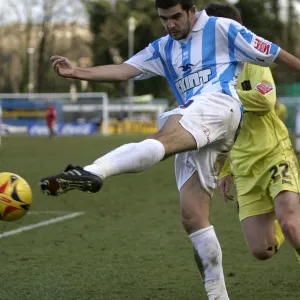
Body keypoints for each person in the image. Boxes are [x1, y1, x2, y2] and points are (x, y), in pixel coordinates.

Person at [40, 1, 300, 298]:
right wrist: (77, 72)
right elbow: (124, 70)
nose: (171, 24)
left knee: (167, 131)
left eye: (176, 17)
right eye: (164, 19)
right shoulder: (162, 48)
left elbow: (275, 53)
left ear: (192, 11)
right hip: (203, 126)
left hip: (221, 106)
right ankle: (219, 296)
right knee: (193, 216)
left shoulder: (220, 27)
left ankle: (95, 171)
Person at [202, 3, 300, 264]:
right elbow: (219, 128)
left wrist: (224, 97)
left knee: (292, 225)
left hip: (274, 153)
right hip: (244, 166)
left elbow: (266, 100)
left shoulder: (254, 57)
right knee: (262, 250)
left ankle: (289, 220)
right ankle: (282, 222)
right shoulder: (206, 73)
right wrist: (224, 171)